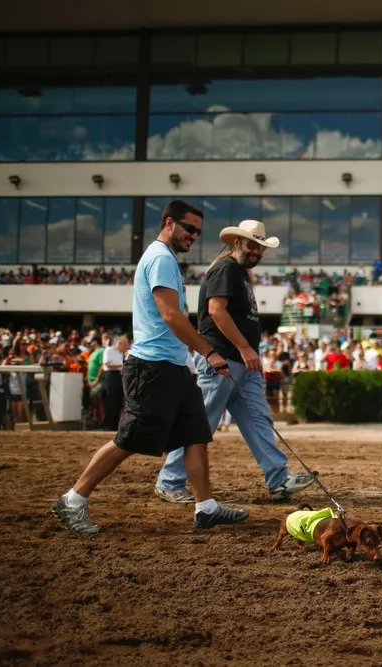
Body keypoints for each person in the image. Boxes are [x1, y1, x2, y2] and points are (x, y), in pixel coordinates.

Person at [51, 200, 249, 534]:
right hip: (152, 367)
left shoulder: (167, 259)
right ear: (169, 223)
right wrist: (209, 352)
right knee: (129, 439)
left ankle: (206, 508)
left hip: (172, 366)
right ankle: (73, 499)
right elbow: (170, 315)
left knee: (195, 435)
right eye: (189, 229)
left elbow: (175, 317)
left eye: (198, 232)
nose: (194, 236)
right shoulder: (159, 258)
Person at [155, 219, 316, 503]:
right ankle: (169, 480)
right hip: (224, 358)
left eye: (260, 247)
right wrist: (244, 348)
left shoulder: (237, 272)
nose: (256, 252)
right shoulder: (227, 268)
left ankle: (278, 478)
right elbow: (216, 311)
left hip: (240, 362)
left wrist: (246, 352)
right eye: (252, 245)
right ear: (237, 242)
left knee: (258, 419)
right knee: (201, 423)